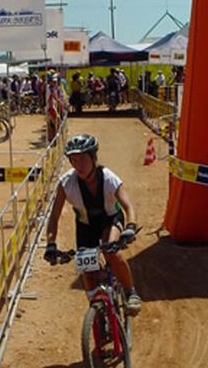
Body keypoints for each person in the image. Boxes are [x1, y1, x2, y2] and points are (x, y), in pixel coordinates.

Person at [44, 134, 142, 315]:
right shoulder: (66, 183)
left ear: (93, 158)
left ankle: (130, 292)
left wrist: (131, 226)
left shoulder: (108, 178)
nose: (78, 165)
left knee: (111, 251)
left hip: (110, 220)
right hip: (85, 226)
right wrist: (51, 244)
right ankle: (97, 309)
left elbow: (128, 206)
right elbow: (54, 217)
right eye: (73, 160)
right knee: (86, 268)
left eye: (82, 159)